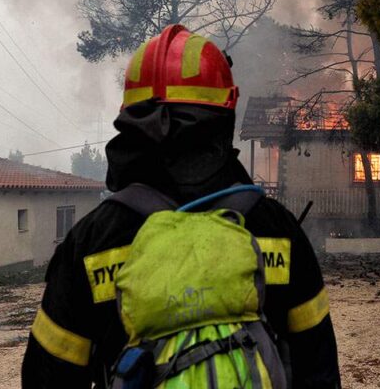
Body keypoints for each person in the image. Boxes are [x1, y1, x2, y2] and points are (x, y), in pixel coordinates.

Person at [21, 25, 342, 388]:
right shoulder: (277, 231)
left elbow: (47, 377)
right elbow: (319, 370)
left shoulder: (92, 241)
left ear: (132, 119)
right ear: (225, 115)